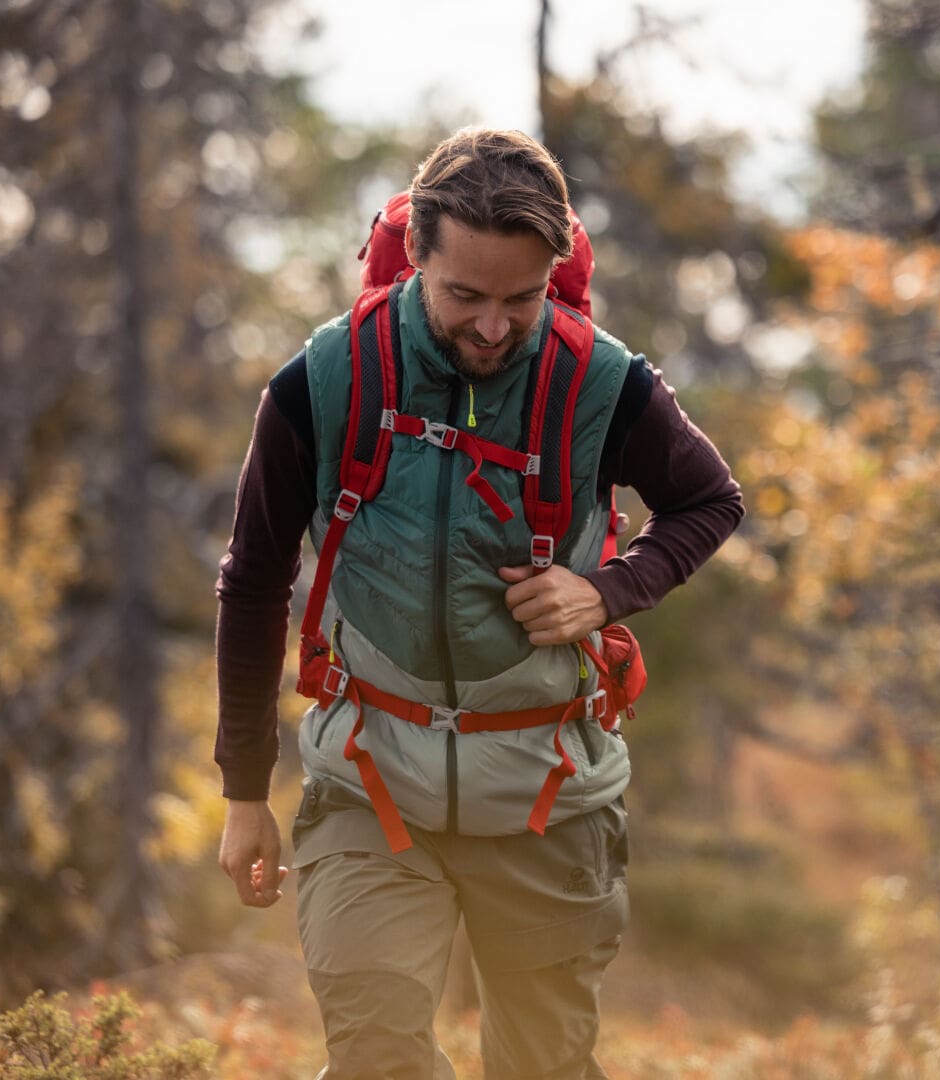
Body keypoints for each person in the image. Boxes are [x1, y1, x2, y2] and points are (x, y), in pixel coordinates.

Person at [212, 127, 744, 1079]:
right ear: (415, 256)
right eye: (464, 296)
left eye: (522, 299)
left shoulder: (604, 383)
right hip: (369, 785)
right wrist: (244, 791)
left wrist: (605, 590)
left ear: (556, 271)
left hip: (548, 793)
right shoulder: (325, 381)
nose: (494, 326)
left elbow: (711, 500)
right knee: (376, 1055)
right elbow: (254, 577)